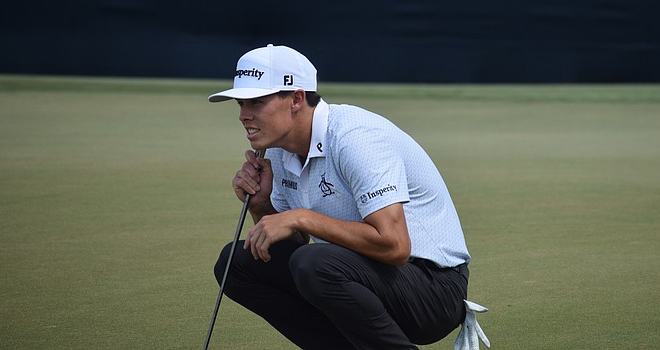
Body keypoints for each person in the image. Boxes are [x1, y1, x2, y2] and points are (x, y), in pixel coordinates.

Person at [208, 44, 488, 349]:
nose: (243, 116)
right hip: (364, 278)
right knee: (237, 262)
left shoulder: (355, 138)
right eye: (240, 104)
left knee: (313, 263)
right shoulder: (278, 149)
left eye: (256, 103)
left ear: (296, 99)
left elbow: (395, 246)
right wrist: (263, 206)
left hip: (434, 289)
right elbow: (294, 246)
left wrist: (301, 217)